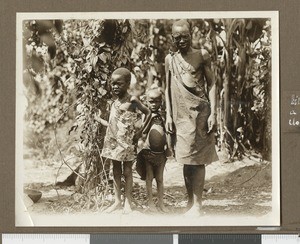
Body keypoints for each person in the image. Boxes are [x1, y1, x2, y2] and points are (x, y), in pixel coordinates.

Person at [165, 19, 218, 215]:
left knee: (198, 159)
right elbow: (167, 88)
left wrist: (213, 112)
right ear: (172, 38)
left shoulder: (202, 55)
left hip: (200, 114)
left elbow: (212, 83)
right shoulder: (170, 60)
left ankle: (198, 204)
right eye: (177, 37)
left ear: (191, 34)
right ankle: (189, 202)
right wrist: (169, 115)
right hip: (180, 116)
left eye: (185, 37)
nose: (181, 41)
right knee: (185, 159)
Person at [99, 67, 151, 214]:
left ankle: (128, 201)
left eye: (119, 84)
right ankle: (117, 201)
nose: (115, 87)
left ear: (127, 84)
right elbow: (113, 122)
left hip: (127, 142)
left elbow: (148, 113)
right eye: (113, 83)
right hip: (113, 142)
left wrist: (140, 132)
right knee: (115, 170)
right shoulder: (113, 102)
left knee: (127, 170)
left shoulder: (133, 100)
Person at [136, 88, 168, 212]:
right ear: (147, 102)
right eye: (151, 101)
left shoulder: (163, 115)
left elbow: (167, 131)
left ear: (161, 102)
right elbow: (143, 131)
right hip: (149, 152)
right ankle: (150, 203)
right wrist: (150, 117)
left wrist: (169, 148)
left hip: (161, 154)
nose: (154, 104)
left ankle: (161, 203)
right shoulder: (146, 115)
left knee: (160, 179)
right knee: (149, 178)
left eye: (157, 101)